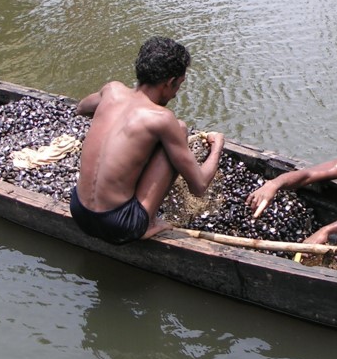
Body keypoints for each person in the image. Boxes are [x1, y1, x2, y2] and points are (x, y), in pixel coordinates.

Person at [70, 36, 225, 245]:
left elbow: (81, 108)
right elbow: (198, 186)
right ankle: (149, 222)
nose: (176, 94)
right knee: (179, 129)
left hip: (78, 210)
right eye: (178, 85)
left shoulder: (112, 90)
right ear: (169, 82)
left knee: (155, 139)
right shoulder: (162, 119)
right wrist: (217, 146)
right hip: (119, 225)